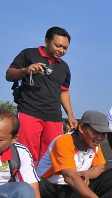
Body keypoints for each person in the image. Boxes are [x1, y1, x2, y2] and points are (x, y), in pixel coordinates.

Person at [37, 110, 112, 198]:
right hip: (54, 193)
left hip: (74, 191)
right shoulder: (64, 141)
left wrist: (87, 174)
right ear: (81, 128)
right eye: (96, 132)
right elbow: (70, 177)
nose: (100, 138)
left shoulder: (94, 145)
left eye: (103, 134)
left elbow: (100, 167)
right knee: (38, 185)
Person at [6, 26, 77, 161]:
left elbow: (64, 91)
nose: (61, 50)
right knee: (25, 155)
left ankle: (43, 176)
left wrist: (70, 116)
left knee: (50, 158)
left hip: (54, 117)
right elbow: (9, 74)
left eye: (65, 48)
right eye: (58, 46)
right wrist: (26, 70)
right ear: (46, 41)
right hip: (29, 112)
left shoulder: (64, 67)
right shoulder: (28, 54)